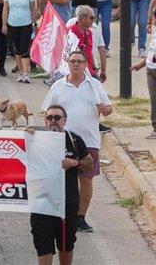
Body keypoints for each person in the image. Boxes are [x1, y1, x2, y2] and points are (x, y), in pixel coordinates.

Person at [40, 50, 113, 233]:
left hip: (89, 140)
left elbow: (109, 108)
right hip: (63, 141)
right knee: (60, 179)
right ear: (67, 63)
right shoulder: (58, 86)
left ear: (85, 64)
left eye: (79, 62)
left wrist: (106, 109)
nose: (76, 65)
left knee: (86, 180)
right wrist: (50, 134)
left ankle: (80, 217)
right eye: (72, 61)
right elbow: (46, 112)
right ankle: (59, 213)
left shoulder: (94, 85)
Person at [27, 105, 94, 265]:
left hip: (67, 205)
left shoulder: (74, 140)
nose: (53, 121)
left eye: (57, 117)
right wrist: (25, 137)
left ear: (65, 120)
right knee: (44, 247)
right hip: (42, 204)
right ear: (45, 120)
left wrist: (75, 162)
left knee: (66, 245)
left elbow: (90, 163)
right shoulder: (35, 138)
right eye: (50, 118)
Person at [3, 0, 38, 83]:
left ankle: (26, 73)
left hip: (26, 24)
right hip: (12, 23)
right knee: (16, 48)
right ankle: (21, 72)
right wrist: (4, 25)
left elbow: (33, 9)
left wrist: (34, 23)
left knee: (25, 48)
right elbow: (5, 10)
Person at [65, 6, 107, 83]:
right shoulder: (71, 33)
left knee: (97, 89)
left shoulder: (89, 32)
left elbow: (90, 53)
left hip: (88, 68)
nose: (93, 20)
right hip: (76, 69)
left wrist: (94, 69)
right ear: (83, 18)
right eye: (91, 18)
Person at [131, 10, 156, 140]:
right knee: (153, 99)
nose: (152, 20)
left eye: (154, 17)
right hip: (151, 70)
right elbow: (151, 54)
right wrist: (140, 65)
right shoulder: (154, 33)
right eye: (152, 17)